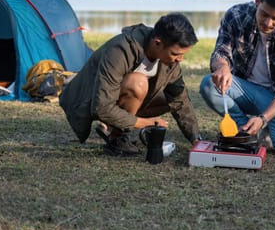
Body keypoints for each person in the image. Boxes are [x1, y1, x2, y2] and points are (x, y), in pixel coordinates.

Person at [60, 13, 202, 156]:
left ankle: (113, 125)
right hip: (91, 102)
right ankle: (116, 138)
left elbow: (180, 101)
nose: (180, 60)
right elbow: (101, 107)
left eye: (183, 55)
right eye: (175, 54)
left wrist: (195, 139)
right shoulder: (120, 50)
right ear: (157, 43)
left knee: (171, 101)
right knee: (138, 83)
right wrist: (143, 123)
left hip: (122, 100)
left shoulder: (171, 62)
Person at [199, 0, 275, 155]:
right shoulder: (235, 15)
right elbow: (220, 52)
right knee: (208, 84)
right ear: (257, 0)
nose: (268, 22)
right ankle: (245, 131)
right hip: (243, 88)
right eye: (264, 14)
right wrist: (222, 67)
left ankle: (261, 125)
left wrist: (263, 119)